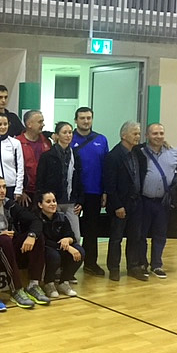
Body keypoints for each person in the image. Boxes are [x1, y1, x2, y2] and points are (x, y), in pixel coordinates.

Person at [0, 176, 48, 308]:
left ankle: (34, 285)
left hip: (13, 244)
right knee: (4, 240)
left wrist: (32, 236)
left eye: (4, 187)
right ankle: (16, 289)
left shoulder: (10, 204)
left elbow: (35, 220)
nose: (2, 190)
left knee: (38, 237)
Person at [138, 123, 177, 278]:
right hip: (144, 201)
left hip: (164, 203)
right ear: (147, 136)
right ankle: (142, 263)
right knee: (141, 235)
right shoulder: (140, 152)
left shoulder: (174, 153)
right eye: (155, 133)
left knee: (160, 234)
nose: (159, 136)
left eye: (161, 133)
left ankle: (157, 265)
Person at [104, 121, 147, 282]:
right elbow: (110, 184)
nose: (138, 136)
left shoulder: (138, 153)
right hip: (120, 204)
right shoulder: (113, 156)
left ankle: (133, 267)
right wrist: (117, 205)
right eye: (134, 133)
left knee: (135, 236)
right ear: (124, 135)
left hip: (136, 203)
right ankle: (114, 268)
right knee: (116, 238)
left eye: (138, 133)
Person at [71, 107, 108, 277]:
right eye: (82, 118)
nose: (86, 121)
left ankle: (91, 263)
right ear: (76, 120)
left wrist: (105, 191)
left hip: (95, 191)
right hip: (73, 192)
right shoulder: (68, 138)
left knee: (92, 230)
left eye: (88, 118)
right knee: (71, 230)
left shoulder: (101, 139)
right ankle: (69, 266)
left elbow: (106, 167)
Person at [36, 121, 83, 243]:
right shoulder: (47, 156)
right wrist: (42, 199)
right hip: (53, 200)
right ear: (57, 135)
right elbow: (40, 180)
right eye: (64, 132)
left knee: (76, 237)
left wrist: (80, 200)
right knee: (55, 237)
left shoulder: (75, 155)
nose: (68, 135)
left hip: (70, 201)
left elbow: (79, 178)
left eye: (70, 132)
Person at [36, 191, 84, 298]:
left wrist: (68, 239)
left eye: (54, 201)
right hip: (46, 248)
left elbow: (71, 235)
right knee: (54, 256)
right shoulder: (37, 219)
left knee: (80, 251)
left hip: (62, 247)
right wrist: (67, 248)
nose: (52, 204)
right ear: (40, 204)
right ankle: (49, 283)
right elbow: (44, 240)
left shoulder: (62, 217)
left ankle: (64, 282)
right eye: (48, 202)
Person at [15, 110, 51, 206]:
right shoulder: (17, 143)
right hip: (26, 193)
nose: (43, 124)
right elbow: (13, 168)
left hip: (43, 191)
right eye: (40, 122)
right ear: (29, 124)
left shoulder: (47, 142)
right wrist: (20, 190)